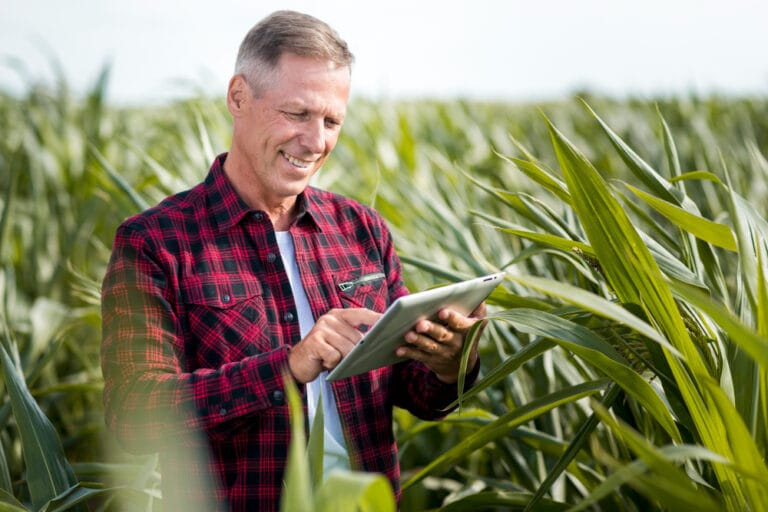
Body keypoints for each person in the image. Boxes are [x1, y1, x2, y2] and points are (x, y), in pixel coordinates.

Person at [101, 10, 485, 511]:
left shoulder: (361, 229)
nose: (316, 141)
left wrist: (452, 362)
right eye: (297, 114)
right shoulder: (156, 243)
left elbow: (418, 395)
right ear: (238, 97)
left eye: (331, 121)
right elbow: (134, 416)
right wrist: (289, 366)